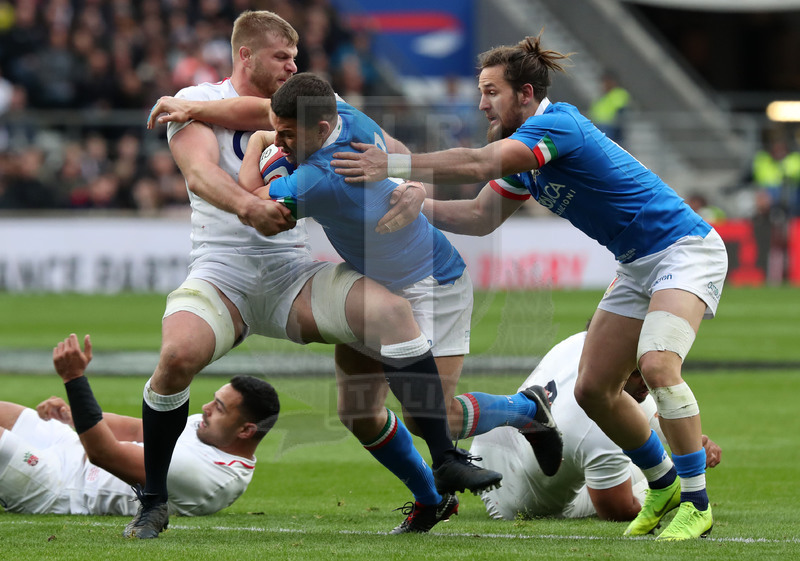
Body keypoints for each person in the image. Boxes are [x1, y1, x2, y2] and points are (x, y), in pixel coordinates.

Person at [331, 32, 729, 541]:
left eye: (491, 91)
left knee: (656, 366)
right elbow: (478, 216)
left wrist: (395, 165)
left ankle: (697, 503)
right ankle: (663, 483)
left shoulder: (556, 125)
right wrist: (413, 205)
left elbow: (481, 162)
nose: (481, 103)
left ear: (524, 93)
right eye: (481, 91)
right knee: (592, 390)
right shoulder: (530, 158)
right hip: (637, 265)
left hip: (684, 249)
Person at [136, 10, 502, 538]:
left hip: (292, 273)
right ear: (246, 55)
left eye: (295, 57)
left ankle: (438, 472)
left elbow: (395, 154)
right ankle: (152, 502)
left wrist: (418, 188)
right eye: (282, 56)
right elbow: (199, 174)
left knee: (390, 318)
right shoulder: (195, 103)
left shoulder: (307, 107)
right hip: (223, 272)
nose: (293, 65)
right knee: (176, 358)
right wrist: (247, 206)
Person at [242, 71, 563, 531]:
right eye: (278, 131)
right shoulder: (347, 116)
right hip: (375, 287)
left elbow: (252, 203)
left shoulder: (318, 179)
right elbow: (402, 151)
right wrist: (412, 185)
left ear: (318, 128)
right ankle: (431, 499)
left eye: (288, 134)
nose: (282, 141)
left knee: (433, 418)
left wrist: (258, 148)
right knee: (358, 413)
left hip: (435, 286)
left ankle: (529, 410)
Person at [0, 334, 278, 518]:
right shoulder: (214, 433)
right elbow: (138, 431)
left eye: (219, 408)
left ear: (246, 431)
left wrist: (74, 380)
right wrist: (71, 416)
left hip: (60, 484)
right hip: (67, 446)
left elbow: (103, 453)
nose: (206, 408)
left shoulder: (203, 474)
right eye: (213, 400)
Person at [470, 329, 721, 522]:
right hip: (517, 501)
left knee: (626, 414)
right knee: (655, 476)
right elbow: (618, 509)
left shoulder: (584, 342)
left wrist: (685, 443)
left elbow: (635, 404)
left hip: (489, 450)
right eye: (636, 373)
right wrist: (685, 470)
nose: (645, 380)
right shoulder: (599, 429)